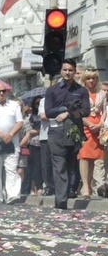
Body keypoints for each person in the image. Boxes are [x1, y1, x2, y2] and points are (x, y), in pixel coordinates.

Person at [44, 58, 90, 210]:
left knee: (71, 165)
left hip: (74, 132)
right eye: (65, 70)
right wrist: (63, 110)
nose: (67, 73)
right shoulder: (52, 90)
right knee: (59, 165)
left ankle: (67, 191)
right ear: (61, 71)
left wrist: (69, 114)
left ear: (74, 71)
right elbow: (49, 111)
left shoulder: (81, 91)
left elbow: (86, 111)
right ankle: (61, 200)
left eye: (70, 70)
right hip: (56, 132)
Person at [77, 68, 105, 197]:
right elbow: (78, 111)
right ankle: (85, 186)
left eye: (93, 78)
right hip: (85, 125)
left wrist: (100, 123)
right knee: (84, 156)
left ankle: (89, 183)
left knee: (95, 158)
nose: (91, 81)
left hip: (98, 126)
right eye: (88, 78)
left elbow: (105, 110)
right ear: (84, 80)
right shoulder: (80, 93)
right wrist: (89, 123)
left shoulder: (102, 93)